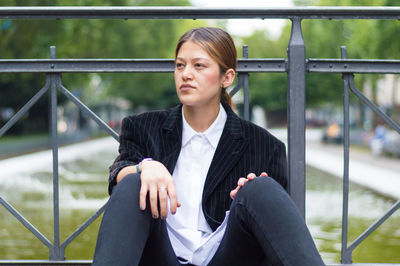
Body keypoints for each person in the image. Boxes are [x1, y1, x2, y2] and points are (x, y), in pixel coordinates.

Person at [92, 27, 325, 266]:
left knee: (261, 187)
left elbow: (274, 235)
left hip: (227, 257)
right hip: (161, 256)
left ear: (227, 77)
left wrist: (247, 195)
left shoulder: (265, 145)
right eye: (180, 65)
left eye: (199, 66)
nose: (186, 74)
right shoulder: (143, 127)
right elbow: (119, 174)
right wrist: (145, 167)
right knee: (135, 180)